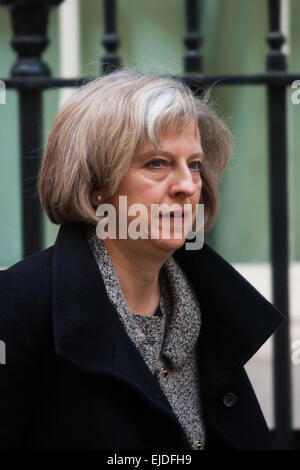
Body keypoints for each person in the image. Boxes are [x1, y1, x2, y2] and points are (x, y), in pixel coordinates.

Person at [0, 69, 284, 450]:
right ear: (97, 184)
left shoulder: (210, 306)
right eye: (157, 163)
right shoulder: (18, 306)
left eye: (194, 164)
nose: (187, 185)